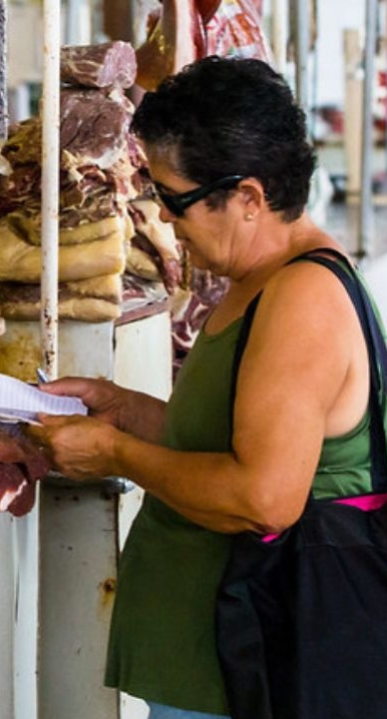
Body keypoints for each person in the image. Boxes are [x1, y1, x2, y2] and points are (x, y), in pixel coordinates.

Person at [27, 57, 378, 719]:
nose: (164, 218)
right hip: (218, 667)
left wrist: (115, 455)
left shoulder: (303, 297)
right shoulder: (259, 280)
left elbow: (263, 497)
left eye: (173, 198)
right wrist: (126, 411)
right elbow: (230, 443)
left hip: (258, 672)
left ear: (247, 197)